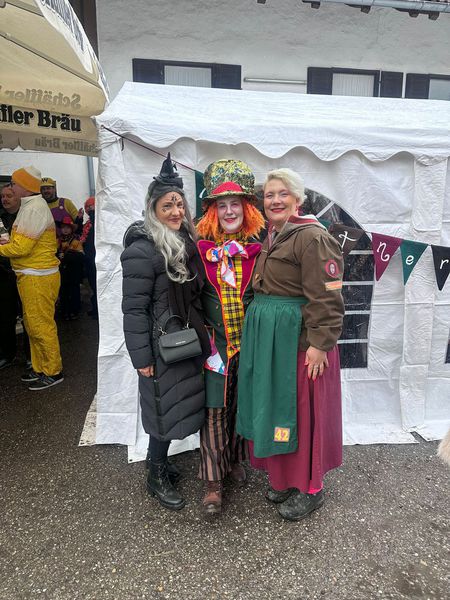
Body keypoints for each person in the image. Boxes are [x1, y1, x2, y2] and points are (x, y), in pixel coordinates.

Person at [237, 168, 345, 521]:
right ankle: (285, 477)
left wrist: (320, 344)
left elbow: (328, 297)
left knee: (302, 413)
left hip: (300, 343)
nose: (275, 200)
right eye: (269, 195)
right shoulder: (274, 234)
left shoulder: (313, 237)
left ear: (298, 199)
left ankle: (311, 488)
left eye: (283, 194)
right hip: (274, 342)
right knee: (278, 409)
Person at [121, 154, 210, 511]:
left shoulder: (184, 242)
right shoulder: (142, 251)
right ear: (153, 209)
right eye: (167, 205)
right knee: (162, 408)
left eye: (179, 204)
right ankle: (155, 474)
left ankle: (158, 462)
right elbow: (133, 310)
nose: (175, 211)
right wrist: (141, 358)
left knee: (175, 405)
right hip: (159, 348)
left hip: (183, 341)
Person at [196, 159, 264, 515]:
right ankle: (212, 482)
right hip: (214, 348)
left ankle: (234, 460)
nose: (229, 211)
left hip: (247, 346)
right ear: (213, 212)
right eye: (221, 205)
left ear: (246, 209)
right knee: (214, 411)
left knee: (239, 406)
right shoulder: (199, 252)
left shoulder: (259, 251)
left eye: (235, 204)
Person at [0, 166, 63, 390]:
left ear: (25, 186)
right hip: (32, 275)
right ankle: (40, 367)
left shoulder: (34, 209)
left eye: (14, 183)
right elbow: (19, 243)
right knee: (32, 325)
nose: (10, 187)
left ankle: (53, 371)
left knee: (40, 326)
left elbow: (21, 248)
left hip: (38, 276)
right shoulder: (30, 206)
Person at [57, 216, 84, 320]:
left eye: (67, 227)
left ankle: (74, 311)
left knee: (74, 291)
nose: (65, 229)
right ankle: (64, 310)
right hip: (62, 272)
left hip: (73, 272)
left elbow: (81, 256)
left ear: (71, 229)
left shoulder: (76, 241)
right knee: (63, 291)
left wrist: (67, 256)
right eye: (63, 227)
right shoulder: (58, 241)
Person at [80, 196, 97, 318]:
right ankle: (95, 309)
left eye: (93, 206)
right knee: (93, 285)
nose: (91, 208)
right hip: (89, 259)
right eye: (89, 207)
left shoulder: (98, 222)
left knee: (97, 285)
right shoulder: (87, 224)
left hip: (96, 259)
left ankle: (98, 311)